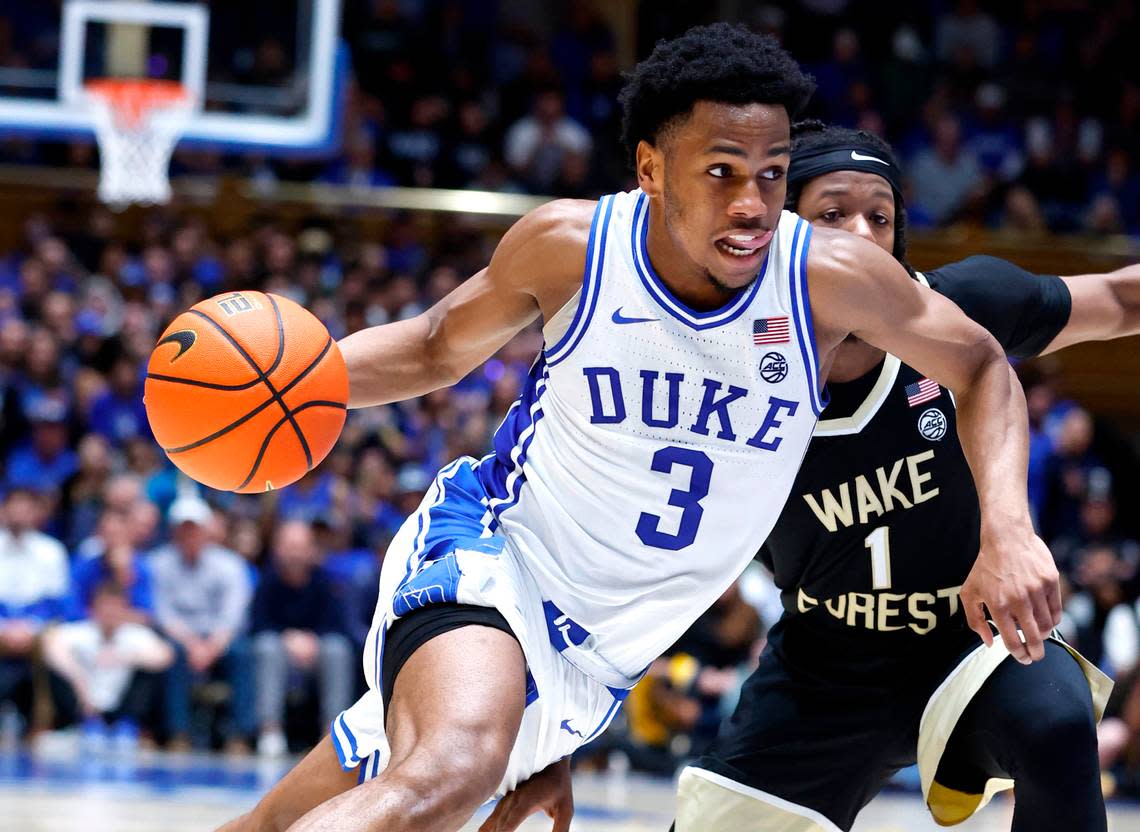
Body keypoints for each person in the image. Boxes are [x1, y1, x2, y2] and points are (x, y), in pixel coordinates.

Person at [220, 24, 1056, 832]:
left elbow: (982, 365)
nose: (752, 203)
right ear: (652, 168)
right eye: (721, 172)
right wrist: (290, 385)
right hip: (500, 556)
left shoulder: (828, 278)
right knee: (453, 767)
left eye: (770, 174)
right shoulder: (573, 247)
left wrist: (1008, 530)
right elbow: (436, 347)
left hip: (594, 666)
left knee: (283, 820)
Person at [665, 122, 1136, 831]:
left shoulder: (960, 311)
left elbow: (1123, 300)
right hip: (822, 666)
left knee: (1058, 721)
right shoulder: (723, 374)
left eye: (879, 216)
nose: (861, 235)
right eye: (832, 215)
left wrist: (1007, 534)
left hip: (969, 642)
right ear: (784, 234)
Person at [150, 495, 254, 752]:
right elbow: (162, 613)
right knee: (171, 654)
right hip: (181, 637)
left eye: (194, 528)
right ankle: (178, 733)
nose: (189, 534)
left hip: (219, 639)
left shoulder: (230, 564)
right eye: (183, 528)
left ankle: (239, 735)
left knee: (243, 654)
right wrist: (192, 644)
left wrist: (211, 647)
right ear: (174, 531)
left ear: (206, 530)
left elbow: (233, 615)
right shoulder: (158, 564)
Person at [250, 521, 355, 757]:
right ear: (277, 549)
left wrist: (312, 640)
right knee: (266, 647)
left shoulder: (325, 582)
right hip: (280, 651)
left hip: (317, 652)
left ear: (311, 550)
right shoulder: (267, 582)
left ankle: (331, 733)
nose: (295, 554)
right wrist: (288, 638)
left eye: (300, 547)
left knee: (337, 649)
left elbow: (337, 626)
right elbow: (259, 625)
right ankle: (270, 730)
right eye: (289, 546)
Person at [42, 581, 172, 750]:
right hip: (86, 704)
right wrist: (78, 680)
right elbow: (50, 645)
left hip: (122, 705)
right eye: (105, 607)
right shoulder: (80, 632)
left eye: (115, 608)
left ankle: (128, 727)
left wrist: (125, 657)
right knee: (59, 669)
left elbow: (166, 655)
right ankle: (84, 726)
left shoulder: (136, 635)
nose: (110, 613)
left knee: (150, 669)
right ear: (93, 608)